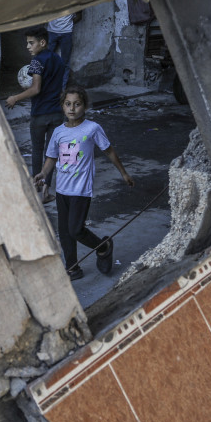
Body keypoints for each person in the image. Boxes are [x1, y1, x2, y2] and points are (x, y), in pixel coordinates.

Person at [33, 85, 134, 280]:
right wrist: (43, 174)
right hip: (62, 190)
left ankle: (103, 246)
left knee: (76, 229)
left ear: (84, 106)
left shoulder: (92, 128)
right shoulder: (58, 132)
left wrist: (123, 173)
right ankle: (72, 268)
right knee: (64, 232)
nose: (72, 109)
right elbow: (51, 158)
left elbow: (109, 151)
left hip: (81, 189)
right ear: (62, 106)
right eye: (68, 104)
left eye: (77, 104)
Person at [6, 25, 65, 203]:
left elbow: (35, 88)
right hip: (56, 113)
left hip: (40, 114)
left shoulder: (37, 61)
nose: (28, 47)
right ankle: (46, 191)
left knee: (38, 151)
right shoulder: (58, 59)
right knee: (52, 153)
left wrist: (15, 98)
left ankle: (36, 187)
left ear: (42, 42)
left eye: (31, 43)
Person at [47, 14, 74, 88]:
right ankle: (44, 85)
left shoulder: (73, 2)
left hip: (67, 32)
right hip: (51, 31)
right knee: (45, 59)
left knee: (65, 62)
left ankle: (62, 88)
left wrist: (66, 25)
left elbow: (79, 15)